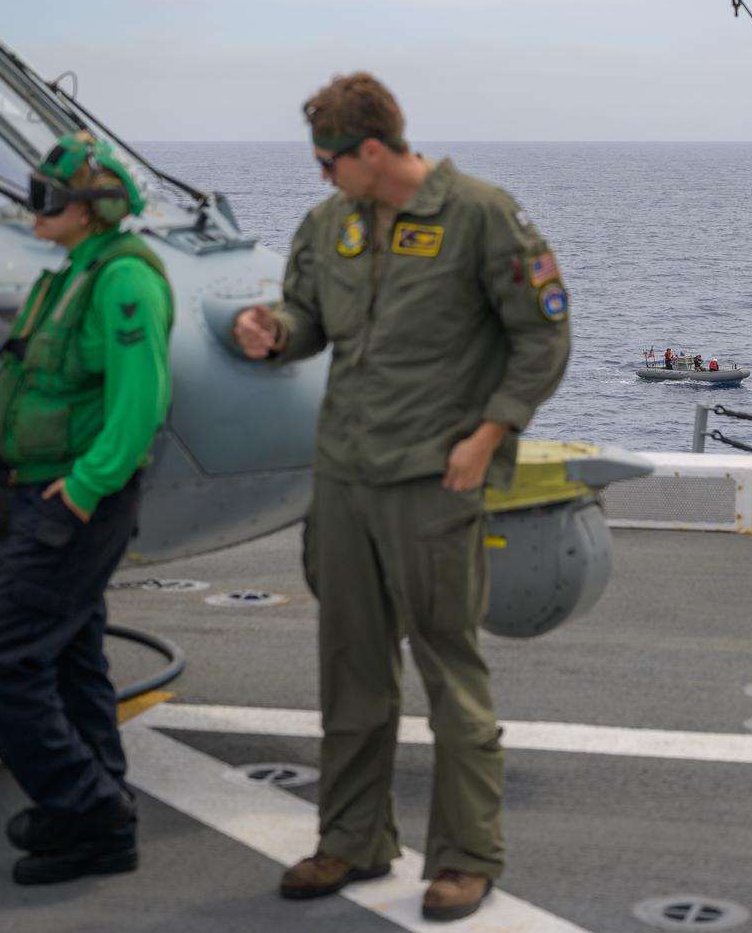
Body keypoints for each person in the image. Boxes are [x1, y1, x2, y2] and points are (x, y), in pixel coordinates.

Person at [232, 72, 570, 923]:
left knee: (450, 673)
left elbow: (544, 335)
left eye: (329, 161)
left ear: (372, 151)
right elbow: (308, 317)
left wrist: (488, 437)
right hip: (344, 477)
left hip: (434, 479)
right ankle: (352, 838)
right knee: (349, 664)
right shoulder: (330, 224)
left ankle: (466, 857)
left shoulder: (482, 216)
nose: (322, 177)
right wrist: (274, 333)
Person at [0, 132, 174, 886]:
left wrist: (83, 488)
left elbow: (139, 403)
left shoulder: (123, 280)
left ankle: (85, 805)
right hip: (46, 488)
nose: (35, 208)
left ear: (93, 209)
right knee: (74, 652)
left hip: (77, 499)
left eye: (50, 197)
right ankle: (104, 806)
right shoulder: (74, 270)